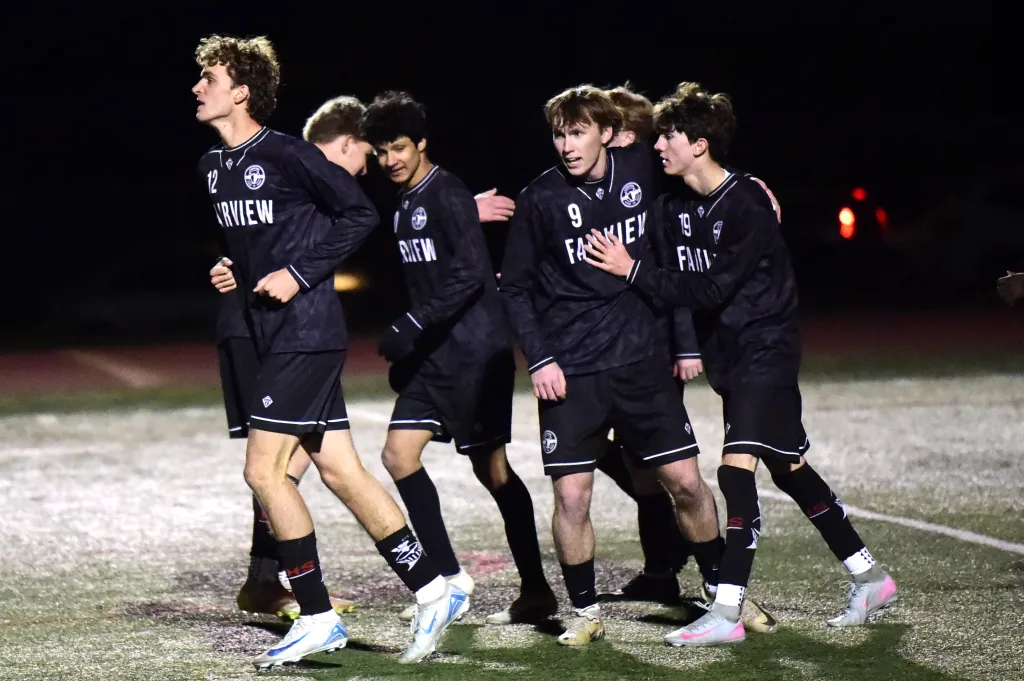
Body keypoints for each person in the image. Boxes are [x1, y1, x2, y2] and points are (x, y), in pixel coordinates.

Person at [583, 81, 898, 647]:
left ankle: (725, 611)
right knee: (790, 469)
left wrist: (630, 270)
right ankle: (869, 576)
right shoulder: (671, 206)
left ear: (700, 144)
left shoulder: (747, 204)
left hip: (767, 352)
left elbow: (708, 288)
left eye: (669, 137)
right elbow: (644, 243)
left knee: (734, 473)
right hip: (733, 359)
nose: (659, 147)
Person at [193, 35, 467, 667]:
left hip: (306, 334)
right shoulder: (213, 166)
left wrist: (298, 273)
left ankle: (316, 615)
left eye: (209, 77)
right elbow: (257, 242)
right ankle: (433, 588)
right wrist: (232, 267)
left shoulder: (288, 153)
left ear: (241, 90)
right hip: (271, 333)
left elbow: (359, 216)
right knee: (341, 470)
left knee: (264, 473)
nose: (197, 86)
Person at [498, 84, 726, 647]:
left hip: (643, 364)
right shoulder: (540, 199)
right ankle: (584, 611)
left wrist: (750, 186)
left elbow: (700, 170)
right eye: (559, 134)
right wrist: (541, 359)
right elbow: (517, 289)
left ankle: (727, 597)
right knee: (571, 496)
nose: (568, 145)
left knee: (689, 485)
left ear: (607, 132)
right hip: (571, 372)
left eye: (578, 132)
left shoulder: (641, 170)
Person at [360, 90, 558, 626]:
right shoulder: (402, 202)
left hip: (476, 357)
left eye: (399, 147)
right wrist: (414, 338)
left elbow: (471, 275)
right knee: (398, 457)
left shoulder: (446, 193)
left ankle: (537, 590)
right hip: (436, 359)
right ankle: (449, 580)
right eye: (381, 152)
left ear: (422, 143)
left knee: (492, 472)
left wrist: (414, 325)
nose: (391, 160)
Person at [212, 95, 378, 622]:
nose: (365, 171)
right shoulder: (290, 165)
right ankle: (281, 586)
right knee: (276, 466)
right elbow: (249, 237)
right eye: (365, 158)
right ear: (347, 143)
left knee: (292, 463)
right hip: (260, 330)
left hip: (295, 334)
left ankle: (273, 580)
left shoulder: (290, 172)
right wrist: (229, 265)